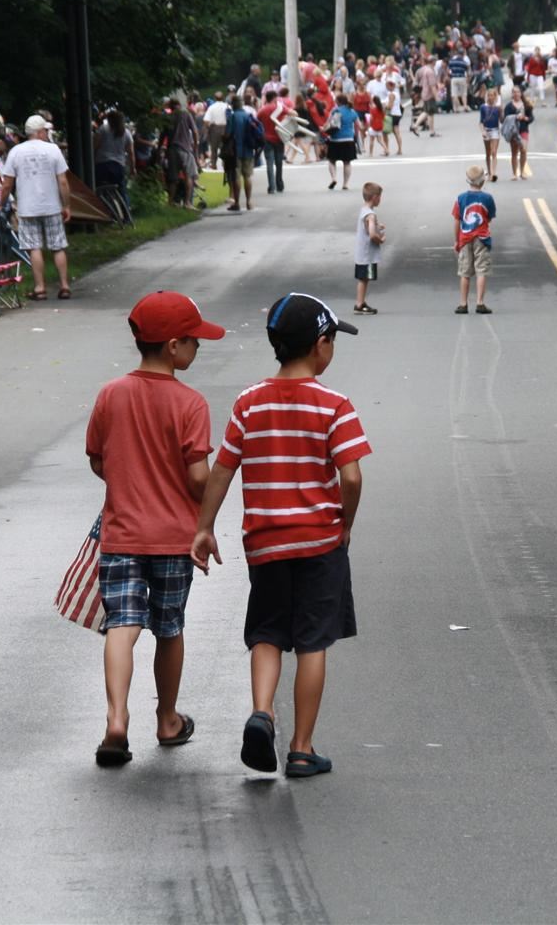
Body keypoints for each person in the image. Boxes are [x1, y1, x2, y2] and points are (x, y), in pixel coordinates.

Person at [190, 293, 370, 779]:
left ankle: (262, 713)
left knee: (267, 633)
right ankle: (301, 748)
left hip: (266, 544)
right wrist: (344, 522)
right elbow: (351, 478)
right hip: (319, 542)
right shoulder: (335, 405)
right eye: (332, 340)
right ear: (319, 345)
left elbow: (223, 471)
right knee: (313, 642)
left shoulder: (249, 402)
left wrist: (204, 528)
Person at [86, 290, 225, 767]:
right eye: (193, 340)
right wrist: (206, 511)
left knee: (121, 626)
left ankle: (116, 720)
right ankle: (167, 719)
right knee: (169, 627)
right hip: (173, 539)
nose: (198, 348)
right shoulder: (191, 403)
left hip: (121, 534)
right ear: (172, 346)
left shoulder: (111, 394)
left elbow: (99, 461)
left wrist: (129, 481)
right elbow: (197, 475)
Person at [1, 114, 72, 300]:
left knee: (34, 247)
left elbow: (7, 183)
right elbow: (63, 182)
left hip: (27, 206)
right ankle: (64, 285)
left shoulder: (16, 151)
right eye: (45, 131)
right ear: (39, 132)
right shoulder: (53, 149)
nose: (47, 133)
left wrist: (1, 203)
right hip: (52, 206)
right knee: (58, 246)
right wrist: (67, 205)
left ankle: (40, 287)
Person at [453, 165, 496, 314]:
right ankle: (480, 302)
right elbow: (489, 217)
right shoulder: (488, 198)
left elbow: (457, 220)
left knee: (465, 272)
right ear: (483, 181)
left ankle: (463, 303)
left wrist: (456, 240)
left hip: (464, 237)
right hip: (482, 238)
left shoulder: (461, 198)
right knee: (481, 270)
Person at [352, 183, 384, 315]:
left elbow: (367, 226)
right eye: (380, 197)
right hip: (367, 254)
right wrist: (380, 239)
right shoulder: (371, 215)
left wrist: (377, 225)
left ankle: (360, 302)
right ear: (375, 197)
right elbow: (371, 234)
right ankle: (359, 303)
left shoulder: (363, 210)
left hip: (361, 252)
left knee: (363, 278)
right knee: (364, 279)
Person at [225, 93, 260, 211]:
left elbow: (228, 134)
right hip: (248, 150)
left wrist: (223, 137)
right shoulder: (248, 115)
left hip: (235, 151)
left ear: (233, 105)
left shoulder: (233, 117)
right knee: (247, 176)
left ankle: (237, 203)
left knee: (236, 177)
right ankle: (249, 202)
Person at [93, 109, 133, 210]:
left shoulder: (103, 129)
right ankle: (126, 215)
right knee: (121, 191)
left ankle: (104, 213)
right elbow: (131, 153)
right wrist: (133, 167)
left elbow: (95, 146)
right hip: (119, 165)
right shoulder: (126, 133)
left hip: (102, 165)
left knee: (101, 190)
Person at [325, 93, 358, 192]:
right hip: (348, 139)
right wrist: (355, 136)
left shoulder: (336, 111)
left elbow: (328, 123)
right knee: (347, 162)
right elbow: (358, 126)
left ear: (338, 102)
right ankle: (345, 184)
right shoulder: (352, 111)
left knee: (331, 160)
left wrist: (324, 130)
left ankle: (334, 178)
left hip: (335, 139)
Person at [257, 90, 287, 194]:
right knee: (279, 163)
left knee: (269, 163)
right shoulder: (279, 108)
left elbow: (256, 122)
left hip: (267, 139)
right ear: (274, 98)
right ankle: (280, 185)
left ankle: (271, 186)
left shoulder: (262, 110)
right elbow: (294, 113)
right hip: (279, 138)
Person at [503, 92, 533, 180]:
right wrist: (516, 117)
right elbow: (505, 118)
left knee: (523, 150)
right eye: (514, 92)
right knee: (514, 152)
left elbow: (531, 117)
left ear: (521, 93)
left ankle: (522, 171)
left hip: (523, 129)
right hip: (513, 130)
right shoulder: (509, 106)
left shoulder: (526, 105)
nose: (516, 94)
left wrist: (526, 118)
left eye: (518, 92)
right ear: (512, 94)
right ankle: (514, 173)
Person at [478, 89, 502, 182]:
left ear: (495, 97)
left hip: (495, 130)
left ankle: (493, 173)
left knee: (494, 152)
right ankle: (488, 171)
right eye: (489, 95)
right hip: (486, 130)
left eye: (492, 95)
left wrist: (502, 110)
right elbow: (480, 122)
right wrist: (483, 131)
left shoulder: (497, 108)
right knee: (488, 153)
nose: (490, 97)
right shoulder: (483, 107)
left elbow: (501, 120)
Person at [203, 90, 230, 166]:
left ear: (215, 98)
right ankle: (225, 163)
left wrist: (207, 128)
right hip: (225, 129)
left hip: (214, 129)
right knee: (225, 147)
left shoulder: (211, 107)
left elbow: (206, 120)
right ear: (223, 98)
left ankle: (214, 164)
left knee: (214, 148)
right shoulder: (227, 106)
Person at [448, 48, 471, 113]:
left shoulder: (452, 61)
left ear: (457, 54)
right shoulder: (464, 62)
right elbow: (468, 72)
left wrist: (450, 76)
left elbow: (448, 70)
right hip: (462, 78)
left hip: (454, 78)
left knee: (454, 94)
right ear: (463, 54)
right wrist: (468, 80)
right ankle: (465, 106)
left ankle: (456, 109)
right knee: (463, 93)